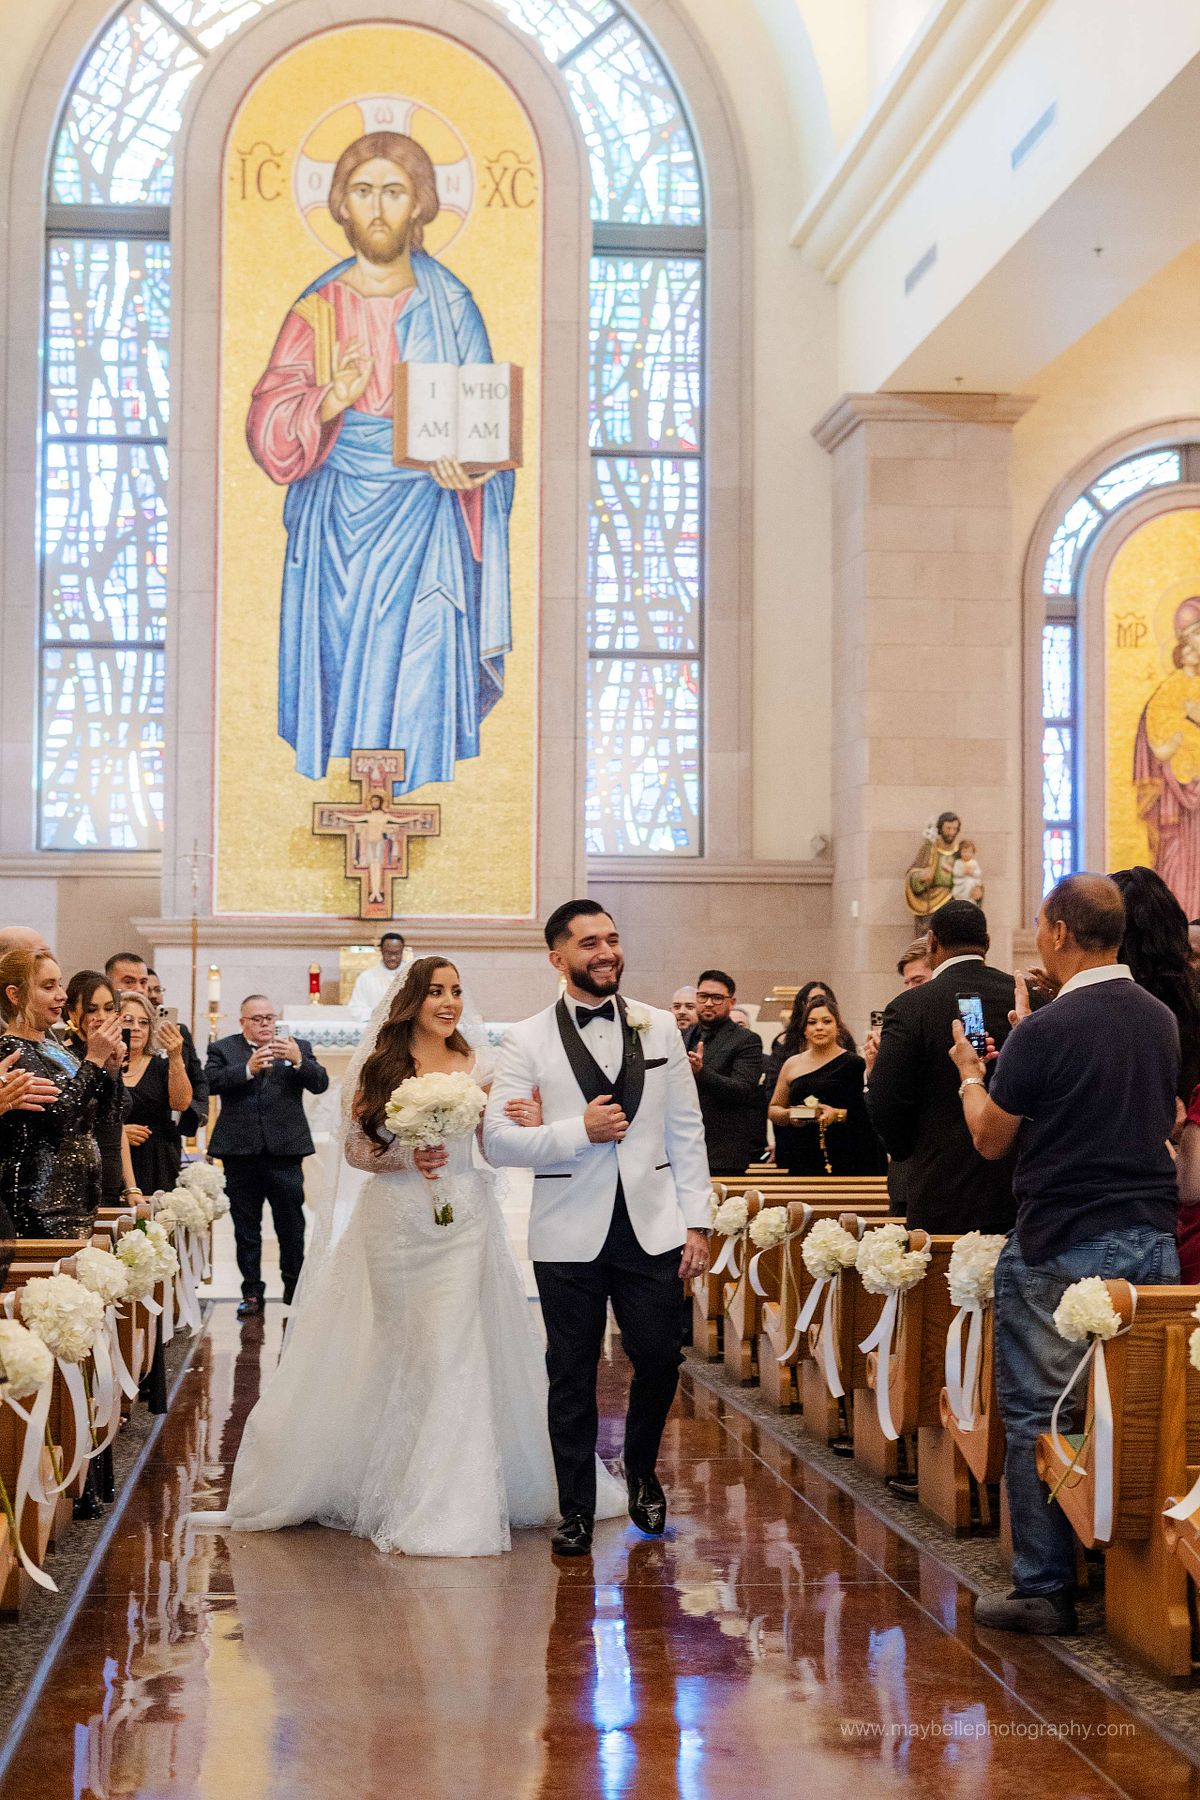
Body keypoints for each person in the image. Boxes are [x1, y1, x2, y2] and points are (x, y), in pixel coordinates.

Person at [215, 958, 625, 1556]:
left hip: (463, 1219)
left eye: (457, 990)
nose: (450, 1002)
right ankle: (387, 1479)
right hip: (398, 1224)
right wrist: (407, 1157)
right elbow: (356, 1150)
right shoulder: (381, 1063)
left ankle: (453, 1502)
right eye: (436, 992)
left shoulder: (480, 1062)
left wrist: (529, 1119)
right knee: (401, 1348)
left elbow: (494, 1142)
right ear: (411, 1000)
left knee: (453, 1348)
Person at [247, 131, 514, 788]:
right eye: (362, 191)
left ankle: (411, 793)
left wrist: (471, 474)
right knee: (341, 671)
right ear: (340, 205)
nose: (376, 207)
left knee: (421, 658)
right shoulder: (316, 308)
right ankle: (352, 793)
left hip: (426, 521)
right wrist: (328, 401)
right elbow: (267, 426)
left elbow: (485, 427)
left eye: (393, 192)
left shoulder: (452, 306)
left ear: (420, 205)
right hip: (338, 523)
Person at [952, 873, 1181, 1635]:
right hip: (1149, 1237)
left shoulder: (1044, 1031)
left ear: (1058, 933)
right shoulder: (1158, 1020)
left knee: (1041, 1412)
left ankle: (1047, 1586)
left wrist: (969, 1076)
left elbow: (992, 1138)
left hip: (1062, 1242)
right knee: (1138, 1408)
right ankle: (1137, 1562)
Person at [484, 900, 712, 1559]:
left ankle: (640, 1467)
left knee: (660, 1356)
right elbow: (498, 1141)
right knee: (572, 1372)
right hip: (567, 1232)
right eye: (589, 943)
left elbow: (685, 1129)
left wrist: (697, 1221)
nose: (605, 951)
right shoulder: (525, 1040)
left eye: (612, 938)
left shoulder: (660, 1026)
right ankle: (576, 1510)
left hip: (653, 1225)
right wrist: (572, 1132)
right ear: (559, 959)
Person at [865, 900, 1019, 1236]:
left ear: (933, 943)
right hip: (1019, 1190)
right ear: (988, 942)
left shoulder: (910, 1006)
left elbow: (886, 1100)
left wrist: (905, 1149)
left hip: (942, 1188)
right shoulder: (1027, 996)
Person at [206, 996, 330, 1317]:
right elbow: (210, 1082)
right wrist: (247, 1069)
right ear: (243, 1022)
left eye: (269, 1018)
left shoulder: (295, 1045)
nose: (264, 1024)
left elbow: (320, 1083)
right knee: (246, 1227)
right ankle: (251, 1293)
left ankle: (294, 1289)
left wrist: (299, 1060)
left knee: (291, 1224)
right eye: (257, 1019)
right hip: (240, 1153)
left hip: (285, 1151)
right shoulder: (223, 1049)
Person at [0, 947, 124, 1237]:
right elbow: (57, 1121)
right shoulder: (11, 1050)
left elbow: (107, 1118)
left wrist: (112, 1072)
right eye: (48, 986)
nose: (62, 995)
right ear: (15, 995)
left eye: (59, 983)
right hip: (39, 1204)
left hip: (77, 1201)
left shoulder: (55, 1048)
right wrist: (93, 1060)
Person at [767, 995, 883, 1176]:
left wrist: (836, 1115)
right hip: (802, 1153)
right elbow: (774, 1109)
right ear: (805, 1029)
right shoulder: (792, 1063)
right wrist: (791, 1115)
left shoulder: (855, 1064)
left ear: (838, 1027)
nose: (819, 1027)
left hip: (848, 1153)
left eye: (826, 1021)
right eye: (812, 1022)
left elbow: (868, 1113)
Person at [106, 952, 208, 1140]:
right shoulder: (98, 1041)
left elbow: (197, 1081)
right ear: (108, 984)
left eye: (143, 982)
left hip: (160, 1140)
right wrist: (116, 1133)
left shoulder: (175, 1033)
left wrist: (197, 1114)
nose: (139, 989)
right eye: (129, 982)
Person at [63, 972, 138, 1207]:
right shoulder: (65, 1057)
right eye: (92, 1009)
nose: (101, 1017)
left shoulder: (111, 1055)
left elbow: (114, 1122)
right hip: (76, 1183)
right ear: (72, 1012)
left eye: (108, 1008)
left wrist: (131, 1186)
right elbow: (72, 1116)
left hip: (109, 1179)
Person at [684, 971, 766, 1177]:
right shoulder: (682, 1035)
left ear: (732, 1001)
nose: (709, 1003)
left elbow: (743, 1089)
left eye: (717, 998)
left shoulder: (746, 1040)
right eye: (703, 996)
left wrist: (702, 1072)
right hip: (682, 1147)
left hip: (723, 1152)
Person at [120, 992, 194, 1196]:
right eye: (128, 1020)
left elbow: (181, 1103)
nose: (136, 1027)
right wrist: (118, 1134)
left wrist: (176, 1056)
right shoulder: (104, 1064)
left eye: (143, 1023)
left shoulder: (161, 1065)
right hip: (114, 1159)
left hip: (157, 1160)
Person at [349, 931, 407, 1017]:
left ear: (402, 950)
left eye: (397, 953)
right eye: (389, 953)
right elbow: (355, 1009)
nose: (393, 957)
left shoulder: (413, 975)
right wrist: (377, 1013)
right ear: (381, 951)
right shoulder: (366, 977)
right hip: (375, 1027)